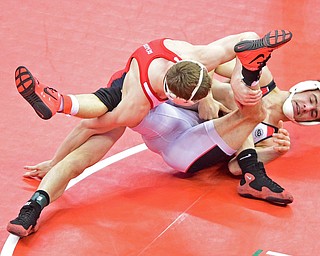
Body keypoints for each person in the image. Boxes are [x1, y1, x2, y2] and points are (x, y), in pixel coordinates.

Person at [8, 30, 294, 237]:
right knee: (251, 111)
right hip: (178, 146)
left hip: (147, 97)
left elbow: (240, 41)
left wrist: (226, 86)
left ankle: (31, 209)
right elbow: (89, 125)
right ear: (175, 97)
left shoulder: (182, 54)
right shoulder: (134, 107)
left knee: (79, 150)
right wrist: (55, 159)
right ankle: (252, 153)